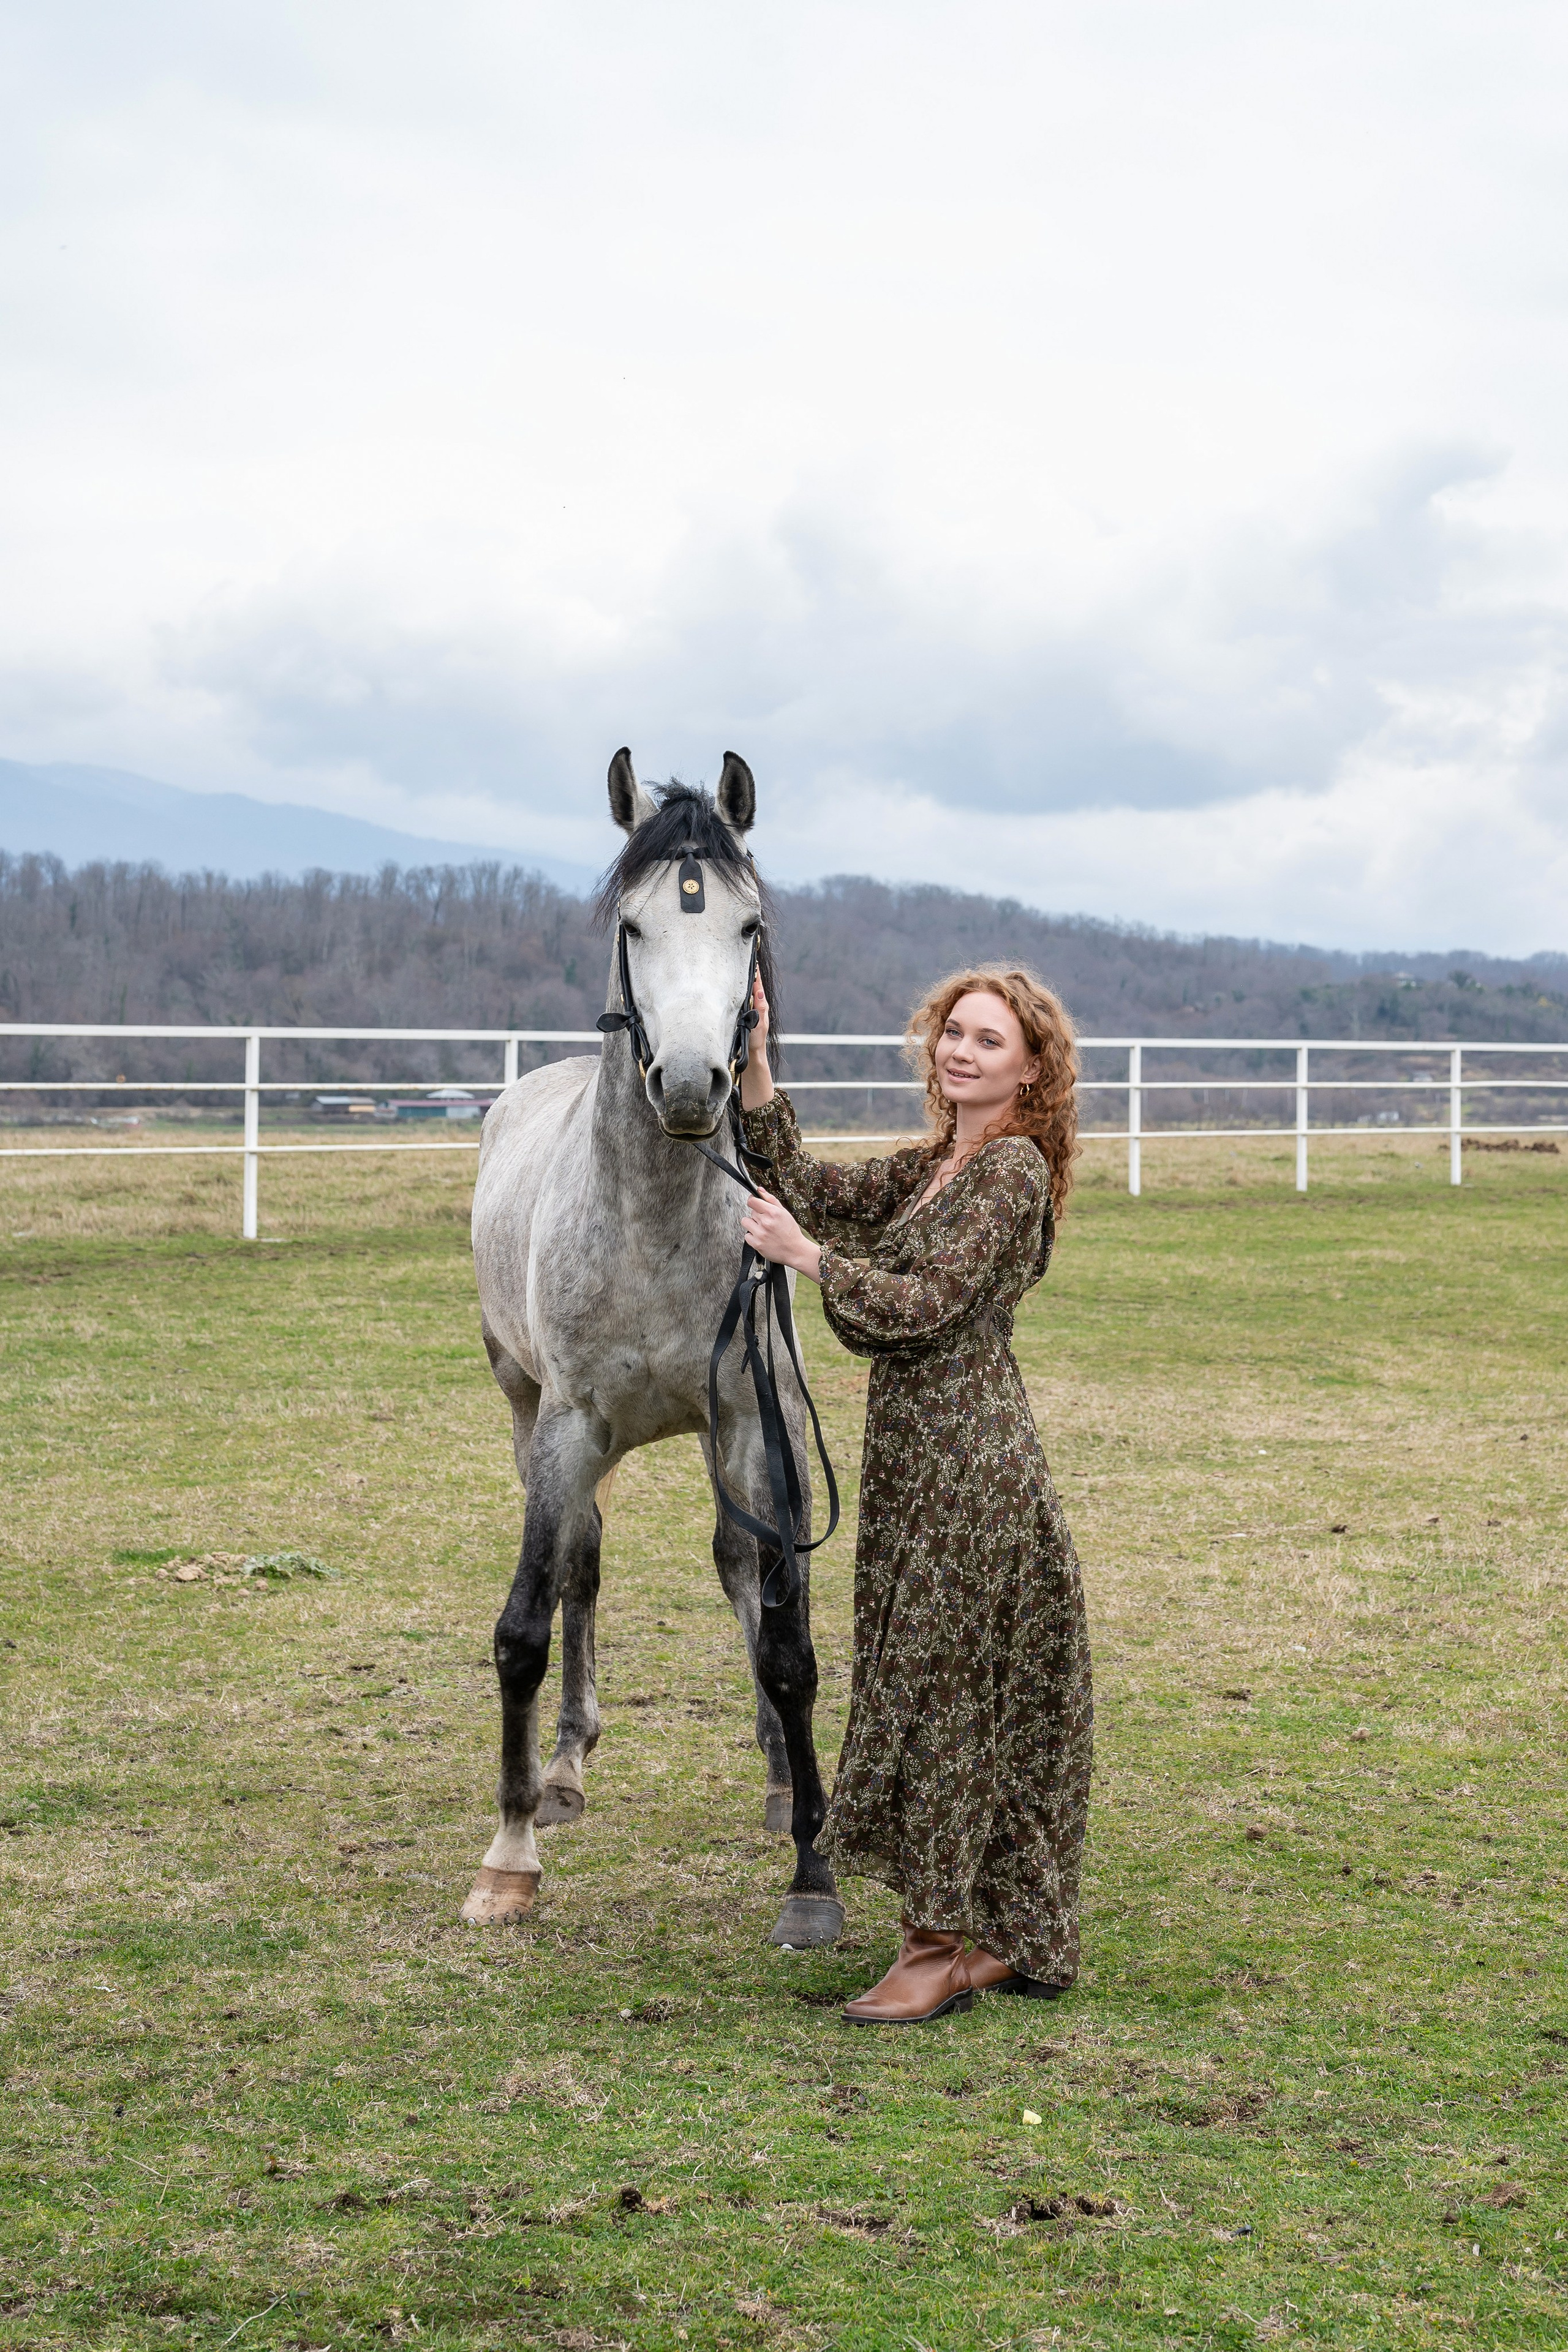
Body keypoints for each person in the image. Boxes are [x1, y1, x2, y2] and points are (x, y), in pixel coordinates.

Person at [737, 965, 1092, 2024]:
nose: (960, 1052)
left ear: (1031, 1069)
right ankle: (991, 1935)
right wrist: (756, 1060)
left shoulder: (1012, 1173)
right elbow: (811, 1182)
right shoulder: (941, 1163)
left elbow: (925, 1306)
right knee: (938, 1683)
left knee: (940, 1694)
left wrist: (809, 1264)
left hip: (971, 1468)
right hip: (913, 1463)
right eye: (952, 1033)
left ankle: (935, 1947)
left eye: (988, 1041)